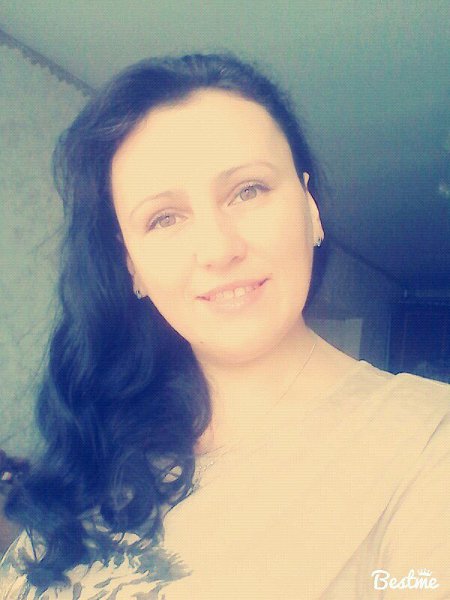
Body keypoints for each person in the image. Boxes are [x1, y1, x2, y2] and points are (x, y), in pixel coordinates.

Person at [1, 52, 449, 600]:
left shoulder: (428, 444)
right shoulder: (99, 438)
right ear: (131, 264)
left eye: (248, 191)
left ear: (310, 207)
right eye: (164, 218)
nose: (218, 249)